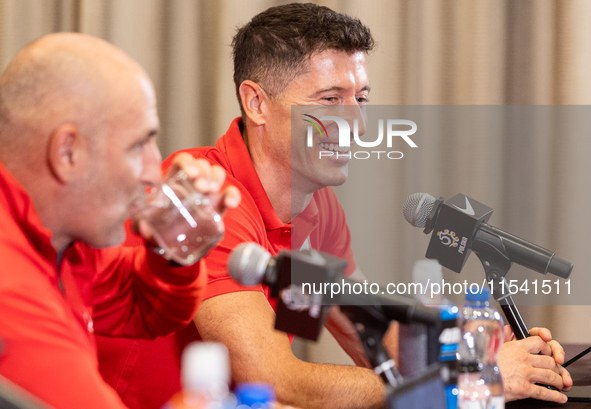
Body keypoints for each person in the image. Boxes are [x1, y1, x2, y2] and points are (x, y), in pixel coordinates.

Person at [96, 3, 572, 408]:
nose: (358, 125)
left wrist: (477, 352)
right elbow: (273, 377)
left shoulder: (314, 206)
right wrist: (463, 384)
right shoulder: (209, 196)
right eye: (329, 100)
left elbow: (369, 337)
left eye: (361, 98)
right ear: (256, 104)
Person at [0, 32, 239, 409]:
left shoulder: (59, 237)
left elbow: (143, 306)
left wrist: (173, 244)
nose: (152, 171)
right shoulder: (10, 289)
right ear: (68, 153)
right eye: (137, 146)